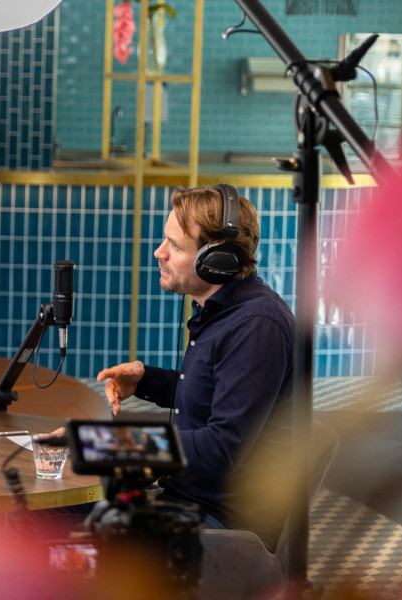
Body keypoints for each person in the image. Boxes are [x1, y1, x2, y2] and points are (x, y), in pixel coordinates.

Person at [96, 184, 294, 548]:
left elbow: (221, 447)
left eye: (174, 245)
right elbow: (214, 393)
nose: (159, 252)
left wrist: (111, 446)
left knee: (44, 531)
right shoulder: (219, 311)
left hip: (219, 526)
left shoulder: (257, 325)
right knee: (41, 516)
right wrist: (146, 380)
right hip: (183, 500)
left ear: (217, 260)